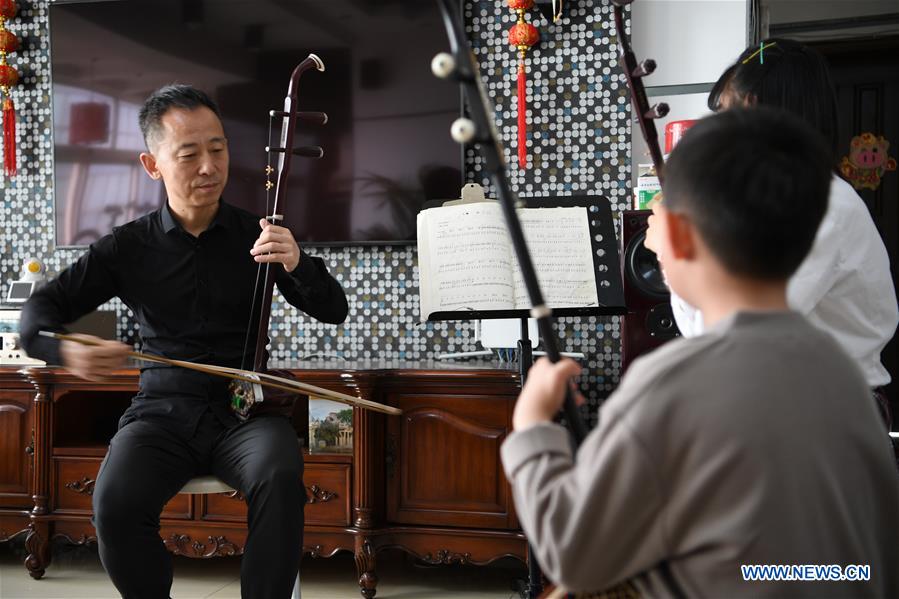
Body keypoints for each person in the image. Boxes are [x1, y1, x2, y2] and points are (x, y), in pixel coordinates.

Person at [502, 108, 899, 597]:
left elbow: (575, 554)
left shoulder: (668, 383)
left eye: (658, 212)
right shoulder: (845, 378)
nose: (651, 226)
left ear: (683, 236)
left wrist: (533, 428)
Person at [20, 85, 348, 599]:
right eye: (189, 153)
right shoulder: (126, 247)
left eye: (217, 149)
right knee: (114, 504)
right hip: (161, 414)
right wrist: (66, 350)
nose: (208, 166)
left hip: (246, 414)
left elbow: (334, 310)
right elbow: (35, 320)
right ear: (153, 165)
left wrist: (297, 263)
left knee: (280, 478)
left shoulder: (260, 234)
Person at [647, 38, 899, 428]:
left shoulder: (821, 206)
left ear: (761, 111)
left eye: (729, 114)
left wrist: (672, 253)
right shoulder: (790, 201)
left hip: (829, 419)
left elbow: (730, 336)